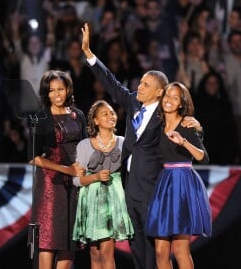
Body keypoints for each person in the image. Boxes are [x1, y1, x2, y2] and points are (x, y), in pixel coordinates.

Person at [81, 23, 204, 269]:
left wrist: (196, 124)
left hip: (153, 187)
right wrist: (89, 54)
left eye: (146, 85)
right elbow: (112, 83)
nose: (140, 86)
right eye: (141, 82)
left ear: (159, 93)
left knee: (154, 246)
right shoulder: (133, 103)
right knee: (136, 241)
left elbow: (183, 122)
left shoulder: (165, 114)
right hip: (129, 184)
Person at [146, 82, 212, 269]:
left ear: (181, 103)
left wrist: (183, 142)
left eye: (175, 97)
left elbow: (202, 157)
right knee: (160, 251)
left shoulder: (187, 124)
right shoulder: (157, 124)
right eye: (168, 96)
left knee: (181, 250)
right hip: (164, 184)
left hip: (183, 184)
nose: (170, 100)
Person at [28, 69, 87, 269]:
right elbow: (33, 158)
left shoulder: (78, 115)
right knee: (48, 241)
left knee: (69, 240)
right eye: (51, 90)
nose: (57, 94)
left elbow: (85, 146)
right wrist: (66, 170)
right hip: (50, 186)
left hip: (75, 184)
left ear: (68, 89)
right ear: (46, 93)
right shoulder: (40, 117)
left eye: (60, 89)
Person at [72, 100, 134, 268]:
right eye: (105, 113)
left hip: (113, 200)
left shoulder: (123, 142)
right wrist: (96, 177)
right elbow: (77, 180)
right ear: (96, 120)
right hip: (91, 201)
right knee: (95, 253)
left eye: (112, 113)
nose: (110, 116)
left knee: (107, 251)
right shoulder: (84, 145)